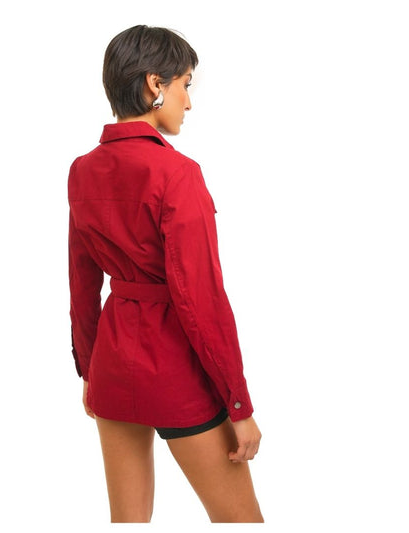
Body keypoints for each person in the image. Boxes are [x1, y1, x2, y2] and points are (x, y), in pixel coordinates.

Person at [68, 25, 264, 523]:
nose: (189, 102)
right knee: (242, 523)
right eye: (186, 85)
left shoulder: (82, 169)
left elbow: (82, 284)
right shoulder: (177, 172)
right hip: (176, 370)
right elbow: (202, 299)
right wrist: (238, 405)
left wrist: (90, 370)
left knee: (128, 523)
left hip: (113, 365)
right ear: (155, 84)